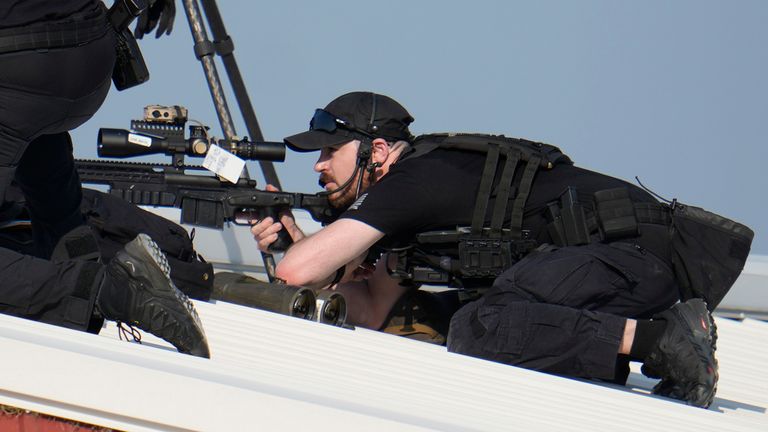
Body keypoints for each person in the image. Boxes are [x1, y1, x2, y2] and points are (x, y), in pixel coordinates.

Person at [251, 91, 719, 407]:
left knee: (481, 327)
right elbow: (374, 309)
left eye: (330, 151)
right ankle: (644, 346)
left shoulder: (411, 181)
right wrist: (308, 250)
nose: (318, 166)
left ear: (376, 151)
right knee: (448, 318)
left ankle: (666, 341)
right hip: (611, 265)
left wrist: (306, 257)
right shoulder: (413, 200)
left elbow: (294, 274)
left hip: (630, 252)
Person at [0, 0, 209, 357]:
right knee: (51, 194)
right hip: (89, 54)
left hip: (21, 65)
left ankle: (109, 290)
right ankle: (80, 258)